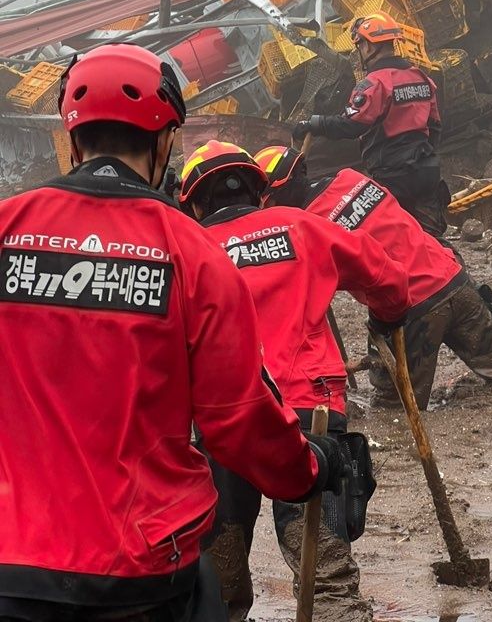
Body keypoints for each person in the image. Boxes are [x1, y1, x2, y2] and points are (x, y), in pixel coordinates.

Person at [0, 45, 346, 622]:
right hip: (143, 572)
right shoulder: (195, 256)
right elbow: (237, 422)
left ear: (73, 138)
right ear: (164, 143)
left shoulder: (7, 229)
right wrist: (310, 468)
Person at [179, 140, 411, 622]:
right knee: (324, 569)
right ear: (258, 192)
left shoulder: (188, 249)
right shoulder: (304, 227)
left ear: (196, 203)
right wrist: (387, 317)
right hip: (313, 407)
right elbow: (390, 282)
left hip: (226, 419)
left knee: (220, 575)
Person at [255, 145, 492, 410]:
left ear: (279, 192)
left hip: (414, 311)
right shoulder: (351, 178)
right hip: (455, 280)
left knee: (393, 410)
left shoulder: (306, 228)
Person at [292, 11, 450, 237]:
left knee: (391, 237)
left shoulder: (374, 84)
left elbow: (352, 125)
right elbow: (435, 127)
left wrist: (314, 124)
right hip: (427, 172)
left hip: (393, 176)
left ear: (366, 46)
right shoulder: (421, 78)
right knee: (431, 238)